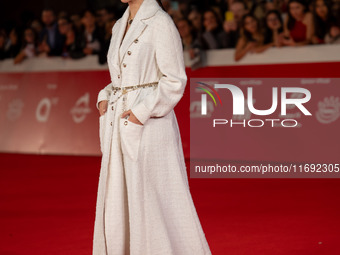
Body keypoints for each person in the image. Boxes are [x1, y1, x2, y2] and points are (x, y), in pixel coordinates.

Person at [93, 0, 212, 254]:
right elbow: (121, 79)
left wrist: (141, 112)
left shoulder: (161, 23)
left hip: (148, 127)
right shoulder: (118, 26)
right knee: (119, 200)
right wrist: (105, 94)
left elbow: (174, 80)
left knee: (152, 201)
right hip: (119, 124)